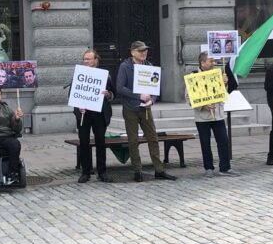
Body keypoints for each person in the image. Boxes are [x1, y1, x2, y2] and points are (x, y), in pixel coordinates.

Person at [116, 41, 176, 182]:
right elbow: (120, 88)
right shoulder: (125, 66)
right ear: (132, 52)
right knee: (133, 140)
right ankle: (137, 170)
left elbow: (155, 89)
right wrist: (138, 96)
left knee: (153, 138)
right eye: (140, 51)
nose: (144, 53)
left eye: (145, 51)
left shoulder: (149, 67)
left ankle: (159, 170)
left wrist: (152, 100)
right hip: (130, 108)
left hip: (146, 109)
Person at [190, 52, 237, 177]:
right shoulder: (194, 76)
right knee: (205, 143)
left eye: (213, 61)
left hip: (217, 114)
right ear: (203, 63)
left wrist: (225, 83)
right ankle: (208, 167)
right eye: (211, 61)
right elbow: (189, 98)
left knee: (223, 140)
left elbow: (223, 93)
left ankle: (225, 167)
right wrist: (203, 106)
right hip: (202, 117)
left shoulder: (218, 75)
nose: (213, 63)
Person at [73, 49, 115, 183]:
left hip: (99, 113)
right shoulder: (78, 74)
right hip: (84, 113)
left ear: (96, 60)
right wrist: (79, 106)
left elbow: (113, 93)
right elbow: (72, 94)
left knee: (100, 143)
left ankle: (102, 172)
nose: (86, 61)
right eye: (84, 59)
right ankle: (86, 172)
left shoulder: (105, 75)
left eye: (88, 59)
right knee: (84, 143)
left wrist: (108, 94)